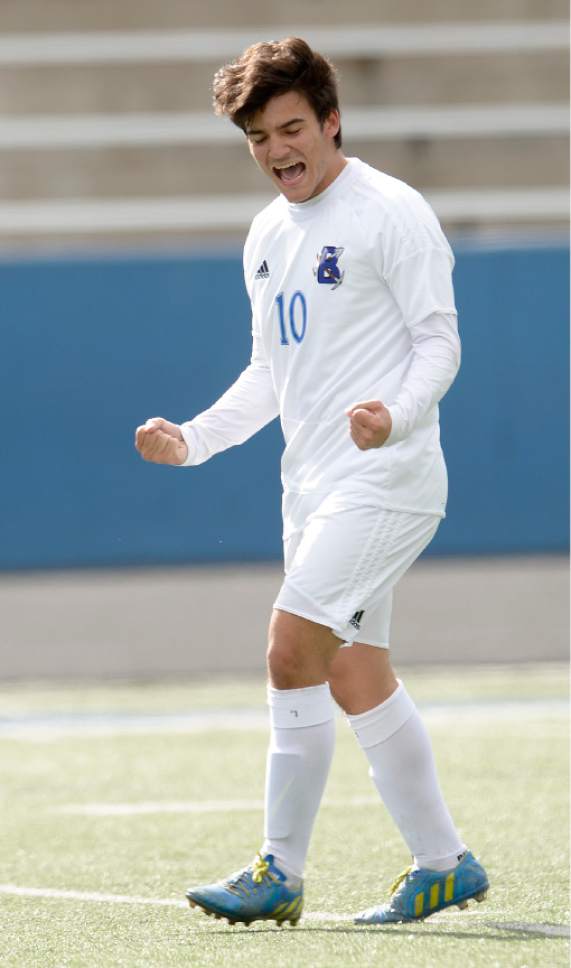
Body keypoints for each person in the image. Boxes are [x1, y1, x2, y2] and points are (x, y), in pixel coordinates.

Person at [135, 36, 489, 927]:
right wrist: (196, 440)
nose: (276, 150)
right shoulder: (265, 234)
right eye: (257, 137)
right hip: (312, 488)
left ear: (331, 122)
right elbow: (268, 372)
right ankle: (444, 863)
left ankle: (279, 872)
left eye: (291, 128)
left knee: (290, 646)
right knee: (354, 673)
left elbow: (438, 340)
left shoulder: (390, 211)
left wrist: (393, 417)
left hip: (388, 478)